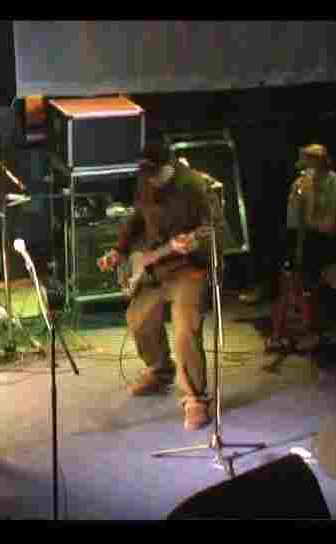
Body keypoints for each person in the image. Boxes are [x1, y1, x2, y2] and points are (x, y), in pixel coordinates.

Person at [97, 141, 216, 431]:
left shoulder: (195, 186)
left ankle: (195, 397)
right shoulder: (146, 183)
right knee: (138, 319)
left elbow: (214, 228)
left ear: (169, 166)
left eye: (154, 174)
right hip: (157, 268)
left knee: (185, 327)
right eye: (145, 175)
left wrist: (195, 242)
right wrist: (120, 250)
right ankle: (160, 370)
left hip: (190, 269)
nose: (149, 180)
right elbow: (137, 218)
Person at [268, 144, 336, 352]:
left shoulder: (335, 182)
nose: (306, 164)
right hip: (301, 237)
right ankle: (284, 333)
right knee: (292, 284)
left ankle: (315, 331)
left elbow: (334, 219)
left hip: (324, 239)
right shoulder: (301, 183)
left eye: (310, 159)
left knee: (314, 287)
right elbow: (293, 218)